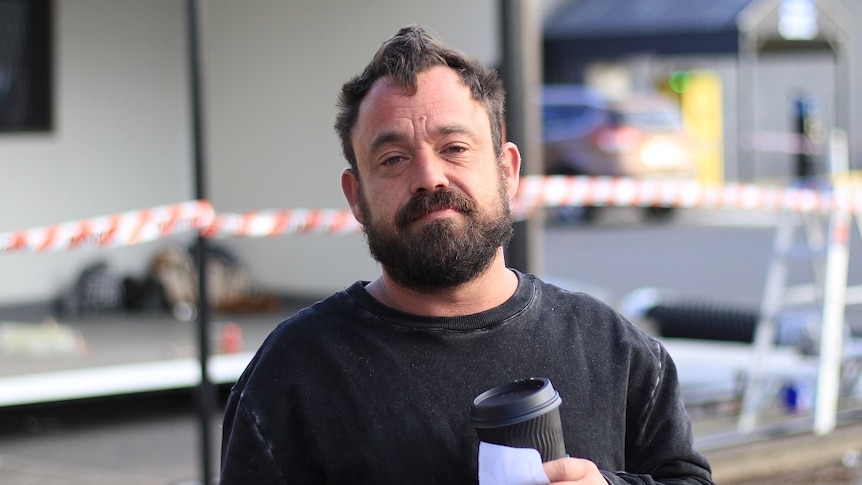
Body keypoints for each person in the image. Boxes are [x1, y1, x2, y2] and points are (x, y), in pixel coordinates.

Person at [220, 24, 714, 484]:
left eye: (454, 147)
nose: (429, 177)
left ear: (508, 171)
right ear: (356, 197)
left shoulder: (614, 351)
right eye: (393, 159)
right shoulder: (294, 374)